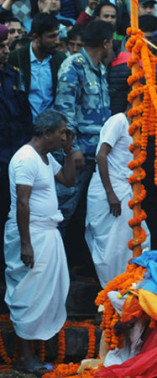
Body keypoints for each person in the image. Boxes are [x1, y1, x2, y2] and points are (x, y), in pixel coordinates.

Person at [4, 109, 79, 375]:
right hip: (31, 234)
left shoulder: (45, 157)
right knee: (28, 295)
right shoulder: (25, 158)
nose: (64, 136)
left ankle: (31, 354)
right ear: (46, 133)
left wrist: (69, 150)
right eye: (61, 132)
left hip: (46, 233)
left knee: (41, 295)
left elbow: (69, 181)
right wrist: (26, 244)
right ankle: (24, 357)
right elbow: (22, 202)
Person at [54, 19, 113, 244]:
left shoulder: (100, 69)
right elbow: (64, 111)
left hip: (96, 154)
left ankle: (74, 268)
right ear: (106, 43)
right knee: (64, 211)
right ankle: (54, 270)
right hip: (77, 155)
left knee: (84, 213)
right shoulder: (74, 65)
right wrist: (73, 149)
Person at [85, 111, 151, 288]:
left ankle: (129, 291)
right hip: (110, 190)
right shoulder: (119, 120)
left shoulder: (137, 126)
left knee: (138, 240)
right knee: (113, 249)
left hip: (123, 188)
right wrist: (110, 193)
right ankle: (114, 293)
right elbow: (101, 155)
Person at [0, 23, 32, 255]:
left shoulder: (13, 75)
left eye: (5, 46)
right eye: (0, 47)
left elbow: (24, 116)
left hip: (14, 159)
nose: (5, 51)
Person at [8, 13, 66, 120]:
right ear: (36, 37)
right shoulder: (16, 58)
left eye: (57, 35)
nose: (57, 41)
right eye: (51, 36)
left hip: (52, 127)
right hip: (24, 126)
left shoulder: (60, 59)